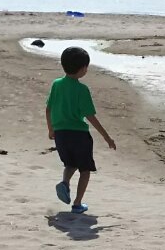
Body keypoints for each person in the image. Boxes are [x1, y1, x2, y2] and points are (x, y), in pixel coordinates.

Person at [45, 46, 116, 214]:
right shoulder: (82, 90)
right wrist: (107, 138)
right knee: (85, 170)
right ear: (83, 69)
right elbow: (90, 116)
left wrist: (50, 129)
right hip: (79, 135)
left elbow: (48, 109)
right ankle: (77, 203)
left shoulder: (56, 84)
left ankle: (65, 183)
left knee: (70, 164)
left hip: (61, 134)